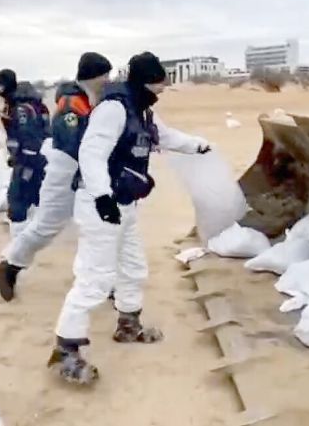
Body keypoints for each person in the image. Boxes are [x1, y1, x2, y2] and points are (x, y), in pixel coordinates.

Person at [49, 51, 211, 384]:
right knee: (95, 278)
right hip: (101, 207)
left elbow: (166, 138)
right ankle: (65, 350)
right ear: (144, 81)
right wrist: (102, 196)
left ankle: (128, 324)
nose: (161, 90)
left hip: (125, 205)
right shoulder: (113, 109)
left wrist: (199, 146)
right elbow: (91, 153)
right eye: (158, 84)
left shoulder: (141, 111)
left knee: (133, 267)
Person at [0, 52, 112, 301]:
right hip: (65, 172)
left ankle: (105, 282)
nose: (107, 79)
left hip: (88, 174)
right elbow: (72, 143)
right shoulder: (71, 105)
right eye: (104, 74)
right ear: (93, 76)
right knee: (45, 227)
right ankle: (10, 264)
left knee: (100, 227)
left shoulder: (93, 100)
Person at [0, 69, 50, 239]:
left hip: (29, 161)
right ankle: (33, 236)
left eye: (0, 85)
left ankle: (18, 242)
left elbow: (28, 137)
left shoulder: (21, 109)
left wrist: (23, 161)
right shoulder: (22, 103)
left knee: (17, 200)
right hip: (36, 159)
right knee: (34, 197)